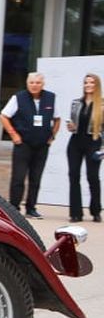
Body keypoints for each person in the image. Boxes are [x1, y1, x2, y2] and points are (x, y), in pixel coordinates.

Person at [1, 71, 60, 219]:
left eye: (38, 83)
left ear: (43, 84)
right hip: (23, 144)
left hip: (42, 145)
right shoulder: (18, 98)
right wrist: (13, 134)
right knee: (18, 178)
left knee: (36, 178)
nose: (34, 85)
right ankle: (14, 208)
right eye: (31, 83)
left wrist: (52, 136)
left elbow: (57, 119)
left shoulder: (50, 98)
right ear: (27, 84)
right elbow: (4, 116)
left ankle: (31, 208)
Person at [66, 73, 103, 223]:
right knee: (73, 176)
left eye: (91, 82)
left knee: (92, 177)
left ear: (97, 85)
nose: (88, 85)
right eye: (86, 82)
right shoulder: (76, 103)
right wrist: (71, 126)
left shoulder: (101, 104)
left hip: (93, 142)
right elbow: (73, 125)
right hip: (75, 142)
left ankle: (96, 211)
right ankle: (76, 213)